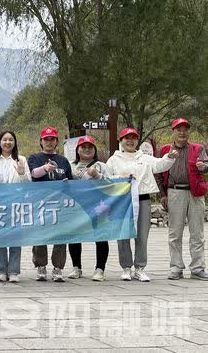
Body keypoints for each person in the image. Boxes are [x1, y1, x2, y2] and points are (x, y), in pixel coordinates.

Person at [105, 127, 177, 282]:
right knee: (123, 234)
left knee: (142, 234)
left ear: (137, 141)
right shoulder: (113, 159)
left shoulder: (144, 157)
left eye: (133, 138)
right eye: (126, 138)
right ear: (121, 141)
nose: (130, 141)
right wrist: (122, 177)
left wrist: (169, 157)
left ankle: (139, 267)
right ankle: (126, 267)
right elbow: (107, 178)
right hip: (123, 201)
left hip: (143, 199)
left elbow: (160, 165)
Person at [157, 118, 208, 281]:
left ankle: (198, 268)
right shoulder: (164, 149)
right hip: (174, 192)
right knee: (174, 233)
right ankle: (176, 267)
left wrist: (204, 167)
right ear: (173, 131)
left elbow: (206, 166)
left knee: (197, 233)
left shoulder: (198, 148)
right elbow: (157, 173)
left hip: (195, 193)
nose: (182, 132)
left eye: (185, 129)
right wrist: (163, 195)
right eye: (179, 129)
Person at [28, 126, 73, 282]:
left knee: (60, 237)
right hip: (40, 203)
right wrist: (45, 168)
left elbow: (71, 182)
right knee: (41, 235)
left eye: (52, 139)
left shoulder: (63, 161)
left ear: (56, 141)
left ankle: (58, 267)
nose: (49, 142)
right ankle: (41, 266)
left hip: (59, 204)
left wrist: (66, 184)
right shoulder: (34, 158)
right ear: (41, 141)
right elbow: (33, 174)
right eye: (46, 139)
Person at [0, 130, 29, 282]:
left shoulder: (21, 159)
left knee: (15, 238)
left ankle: (13, 271)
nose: (7, 142)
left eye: (10, 140)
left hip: (16, 204)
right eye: (4, 139)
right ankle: (2, 269)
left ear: (14, 142)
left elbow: (28, 184)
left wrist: (21, 173)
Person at [71, 135, 110, 281]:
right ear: (77, 150)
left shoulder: (102, 166)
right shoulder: (71, 165)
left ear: (95, 150)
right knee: (74, 236)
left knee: (101, 236)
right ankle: (76, 267)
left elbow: (111, 184)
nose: (87, 150)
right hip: (77, 206)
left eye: (90, 147)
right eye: (83, 147)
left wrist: (97, 175)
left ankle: (100, 269)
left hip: (99, 205)